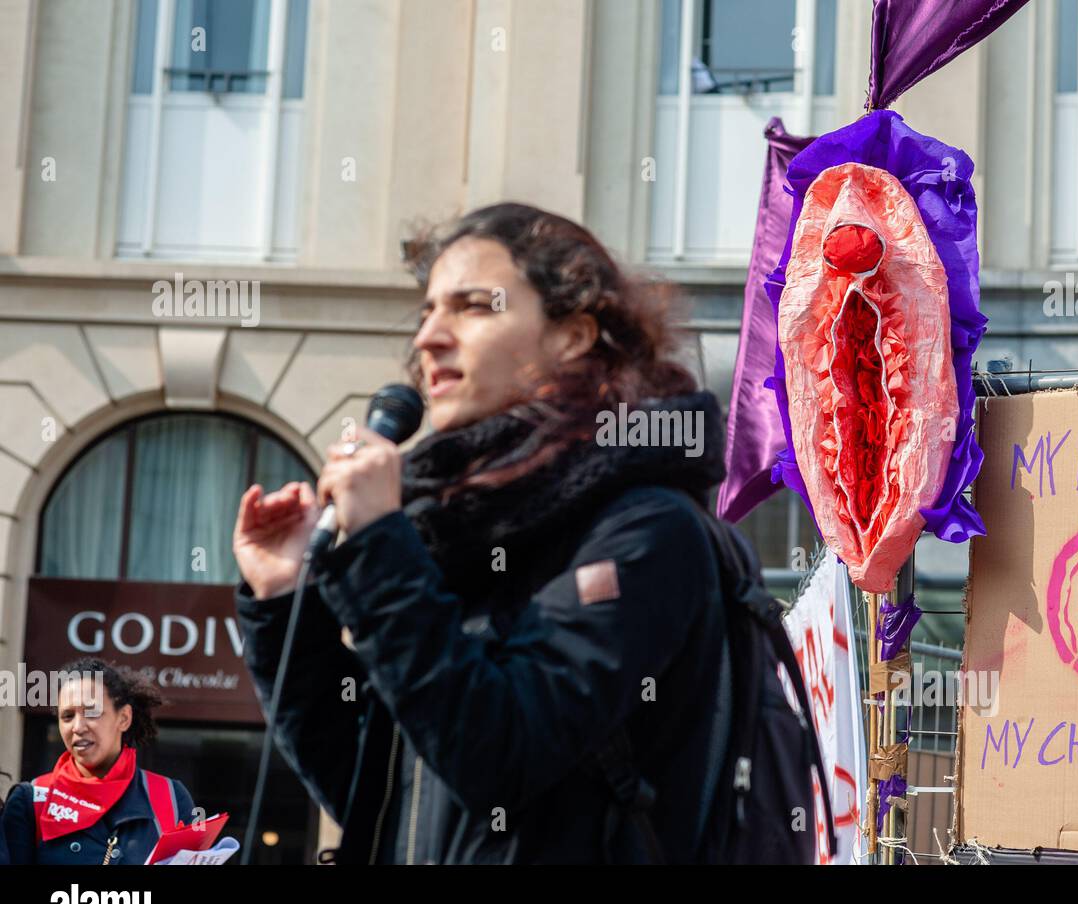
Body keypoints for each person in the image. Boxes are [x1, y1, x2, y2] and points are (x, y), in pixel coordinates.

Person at [233, 202, 742, 864]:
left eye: (473, 306)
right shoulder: (454, 532)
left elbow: (501, 758)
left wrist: (382, 544)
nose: (428, 338)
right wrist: (283, 602)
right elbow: (371, 791)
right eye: (427, 312)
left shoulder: (645, 527)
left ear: (574, 335)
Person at [1, 658, 196, 865]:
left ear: (124, 718)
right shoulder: (31, 801)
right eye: (67, 716)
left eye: (91, 712)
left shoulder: (171, 797)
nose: (77, 727)